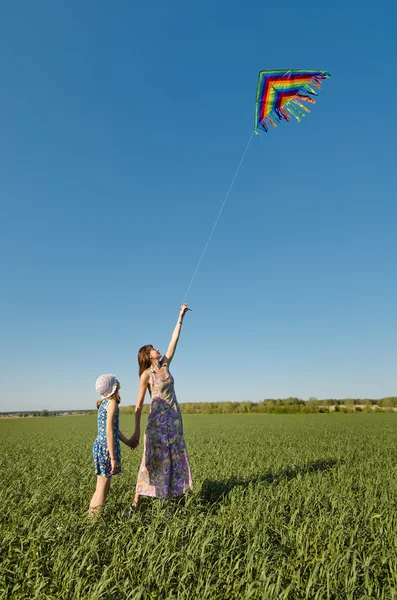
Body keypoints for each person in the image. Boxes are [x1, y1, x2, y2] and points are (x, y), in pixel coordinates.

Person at [129, 304, 193, 510]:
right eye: (153, 349)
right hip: (156, 424)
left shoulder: (165, 364)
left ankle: (169, 500)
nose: (157, 349)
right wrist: (137, 432)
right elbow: (138, 405)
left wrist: (180, 317)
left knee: (173, 458)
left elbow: (174, 340)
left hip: (174, 421)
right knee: (150, 461)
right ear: (148, 356)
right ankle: (135, 503)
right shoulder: (146, 375)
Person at [89, 374, 130, 517]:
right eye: (115, 381)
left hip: (100, 445)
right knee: (103, 490)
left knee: (100, 487)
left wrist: (127, 442)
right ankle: (93, 523)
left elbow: (114, 429)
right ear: (112, 387)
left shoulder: (104, 403)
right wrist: (113, 458)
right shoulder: (112, 403)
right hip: (107, 447)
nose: (118, 381)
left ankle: (90, 518)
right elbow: (109, 431)